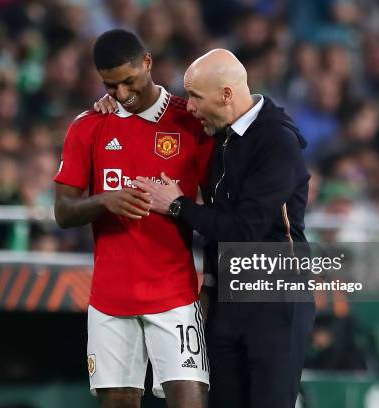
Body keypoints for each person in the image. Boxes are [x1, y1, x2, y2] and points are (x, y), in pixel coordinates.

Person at [95, 49, 315, 408]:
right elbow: (157, 112)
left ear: (226, 95)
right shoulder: (217, 131)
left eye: (195, 96)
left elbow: (245, 231)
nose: (190, 107)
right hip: (228, 299)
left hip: (276, 298)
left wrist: (179, 206)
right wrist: (115, 102)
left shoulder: (276, 143)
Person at [53, 29, 213, 408]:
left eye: (129, 81)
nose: (122, 94)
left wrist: (215, 277)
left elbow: (217, 205)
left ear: (147, 63)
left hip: (175, 294)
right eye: (111, 86)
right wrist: (104, 201)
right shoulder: (88, 126)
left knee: (190, 402)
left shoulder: (188, 123)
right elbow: (63, 212)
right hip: (111, 298)